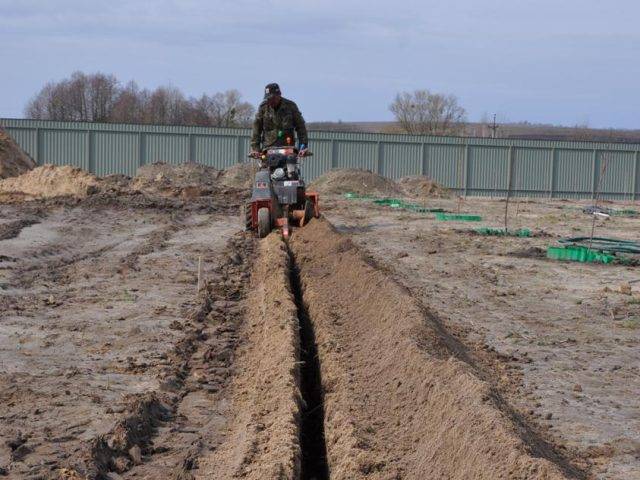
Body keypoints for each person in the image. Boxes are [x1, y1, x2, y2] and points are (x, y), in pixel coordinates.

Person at [250, 83, 309, 158]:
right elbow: (256, 129)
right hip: (268, 149)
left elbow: (301, 127)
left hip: (288, 149)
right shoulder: (263, 108)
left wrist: (302, 148)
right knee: (264, 169)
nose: (270, 101)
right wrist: (255, 149)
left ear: (279, 95)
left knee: (291, 168)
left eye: (273, 98)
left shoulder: (290, 106)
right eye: (268, 99)